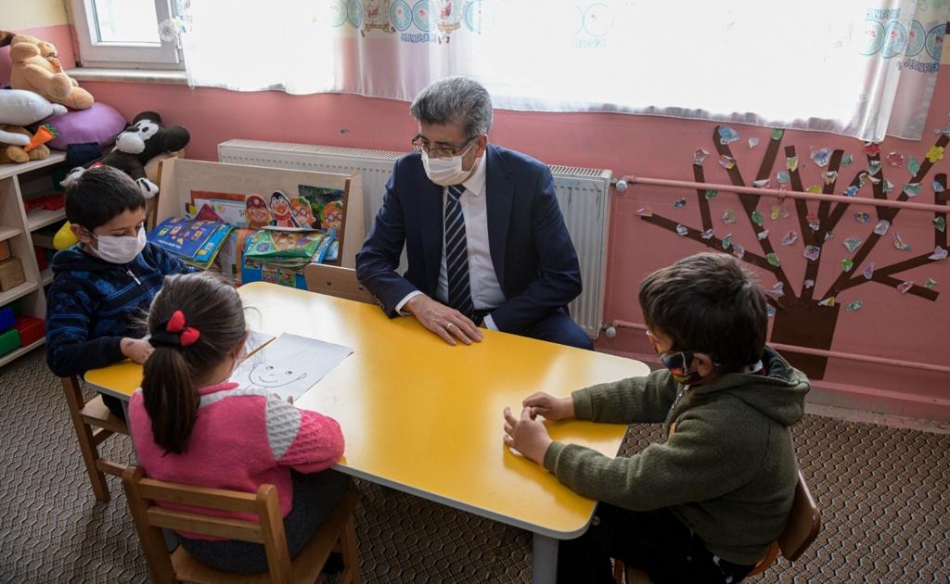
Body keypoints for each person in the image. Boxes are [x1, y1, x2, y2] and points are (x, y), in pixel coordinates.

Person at [503, 252, 811, 583]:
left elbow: (632, 482)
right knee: (573, 503)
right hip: (702, 509)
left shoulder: (727, 427)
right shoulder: (728, 370)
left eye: (658, 343)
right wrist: (571, 404)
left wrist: (545, 450)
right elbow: (651, 390)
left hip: (709, 552)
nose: (653, 346)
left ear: (700, 363)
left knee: (568, 521)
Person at [128, 272, 349, 573]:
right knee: (335, 476)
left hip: (191, 539)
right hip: (261, 548)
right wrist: (286, 416)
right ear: (240, 344)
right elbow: (331, 443)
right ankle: (321, 559)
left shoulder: (139, 402)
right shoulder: (256, 410)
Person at [355, 76, 591, 349]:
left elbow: (564, 277)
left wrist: (491, 325)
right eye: (424, 143)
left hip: (514, 311)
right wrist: (419, 303)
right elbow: (372, 260)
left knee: (576, 345)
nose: (431, 157)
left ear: (479, 144)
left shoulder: (527, 178)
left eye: (445, 148)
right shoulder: (409, 173)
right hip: (434, 308)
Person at [45, 165, 194, 418]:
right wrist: (122, 346)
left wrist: (216, 291)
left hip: (171, 357)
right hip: (127, 391)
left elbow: (190, 279)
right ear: (82, 233)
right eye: (120, 233)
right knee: (201, 413)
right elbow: (61, 356)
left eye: (139, 226)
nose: (134, 238)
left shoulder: (147, 252)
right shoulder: (72, 285)